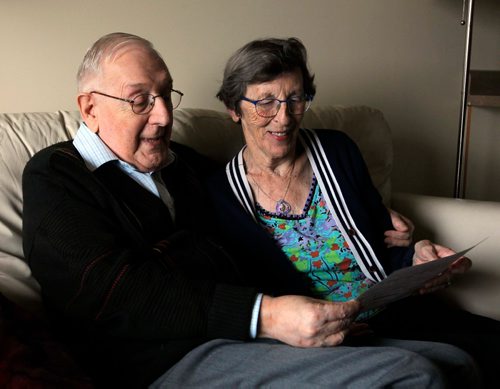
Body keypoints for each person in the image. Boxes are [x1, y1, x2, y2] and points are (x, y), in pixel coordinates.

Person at [22, 32, 479, 389]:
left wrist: (394, 229)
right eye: (140, 100)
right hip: (162, 359)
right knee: (412, 376)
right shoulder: (56, 176)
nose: (162, 116)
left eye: (166, 95)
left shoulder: (181, 167)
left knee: (456, 363)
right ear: (90, 108)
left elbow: (266, 219)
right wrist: (267, 314)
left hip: (242, 338)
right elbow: (114, 291)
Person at [211, 37, 500, 388]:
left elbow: (387, 240)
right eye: (266, 102)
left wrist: (418, 255)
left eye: (296, 99)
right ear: (234, 108)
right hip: (320, 337)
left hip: (391, 308)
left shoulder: (337, 150)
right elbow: (243, 295)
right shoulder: (222, 195)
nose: (284, 117)